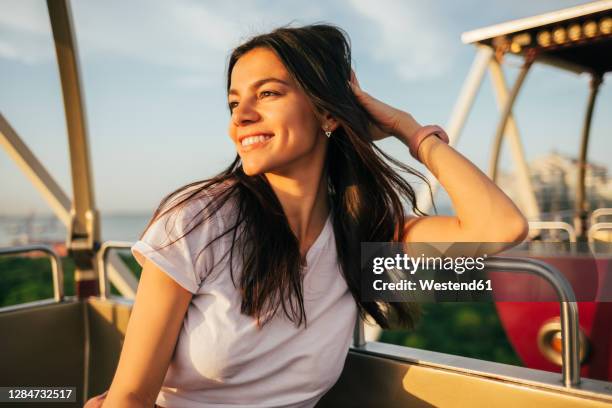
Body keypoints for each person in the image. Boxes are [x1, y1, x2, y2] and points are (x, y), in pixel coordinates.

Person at [86, 23, 527, 408]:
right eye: (233, 103)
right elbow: (130, 396)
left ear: (326, 111)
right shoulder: (199, 221)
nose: (242, 116)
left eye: (268, 93)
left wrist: (407, 128)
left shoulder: (360, 230)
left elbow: (501, 227)